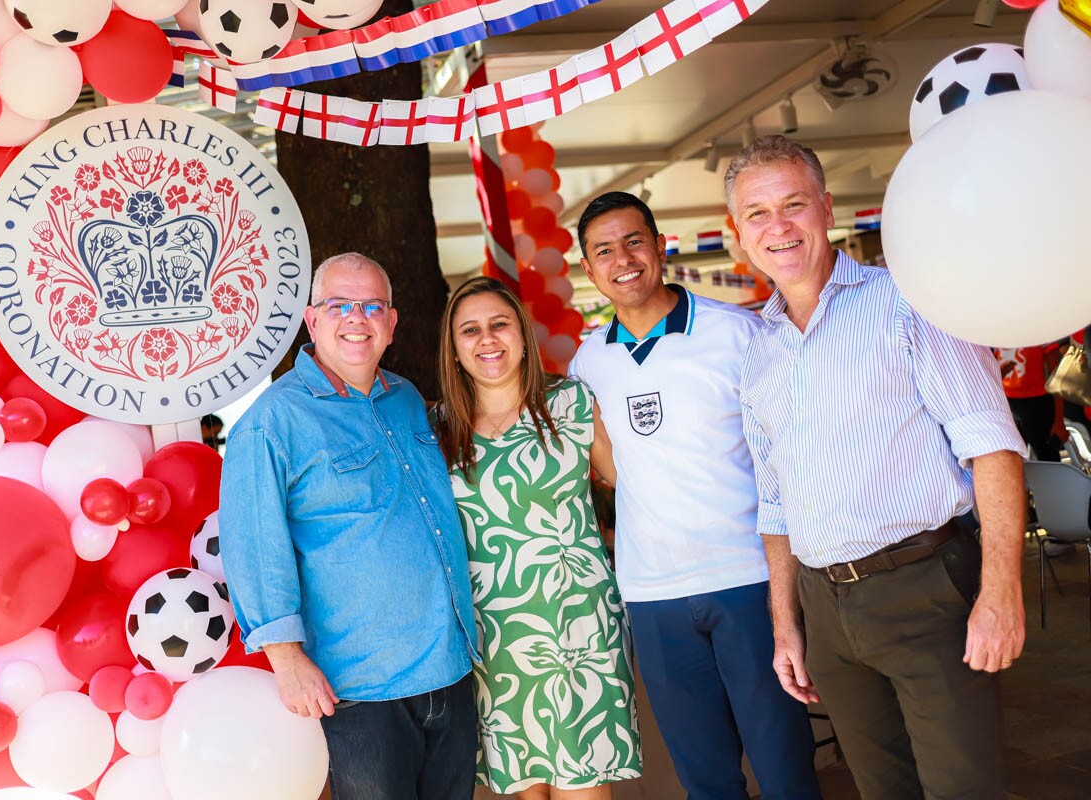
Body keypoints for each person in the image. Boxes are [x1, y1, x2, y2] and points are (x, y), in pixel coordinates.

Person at [729, 135, 1027, 800]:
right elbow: (774, 502)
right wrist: (787, 625)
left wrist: (1001, 590)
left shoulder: (908, 302)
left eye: (793, 204)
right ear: (737, 233)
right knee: (880, 790)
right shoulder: (759, 356)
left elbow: (993, 446)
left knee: (963, 789)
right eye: (757, 213)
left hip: (926, 587)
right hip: (825, 607)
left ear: (827, 208)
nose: (778, 226)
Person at [569, 191, 820, 800]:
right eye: (604, 250)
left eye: (634, 241)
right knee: (704, 779)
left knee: (785, 768)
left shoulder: (738, 334)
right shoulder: (585, 364)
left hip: (747, 581)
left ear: (660, 246)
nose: (622, 259)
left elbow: (786, 458)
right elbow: (610, 470)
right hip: (653, 595)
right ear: (588, 267)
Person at [219, 252, 479, 799]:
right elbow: (255, 548)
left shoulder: (407, 398)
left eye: (371, 306)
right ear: (313, 321)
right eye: (339, 305)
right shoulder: (272, 422)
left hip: (449, 669)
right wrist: (286, 659)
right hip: (360, 689)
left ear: (390, 324)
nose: (356, 318)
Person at [433, 276, 642, 798]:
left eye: (500, 324)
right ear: (454, 349)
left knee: (584, 782)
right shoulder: (438, 428)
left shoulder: (571, 403)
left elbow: (636, 487)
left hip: (579, 629)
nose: (487, 339)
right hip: (494, 637)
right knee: (525, 788)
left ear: (523, 334)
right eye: (470, 330)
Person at [994, 345, 1062, 461]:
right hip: (1007, 403)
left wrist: (1059, 421)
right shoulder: (994, 337)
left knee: (1047, 456)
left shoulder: (1041, 335)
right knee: (1014, 457)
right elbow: (992, 374)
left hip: (1038, 404)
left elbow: (1057, 378)